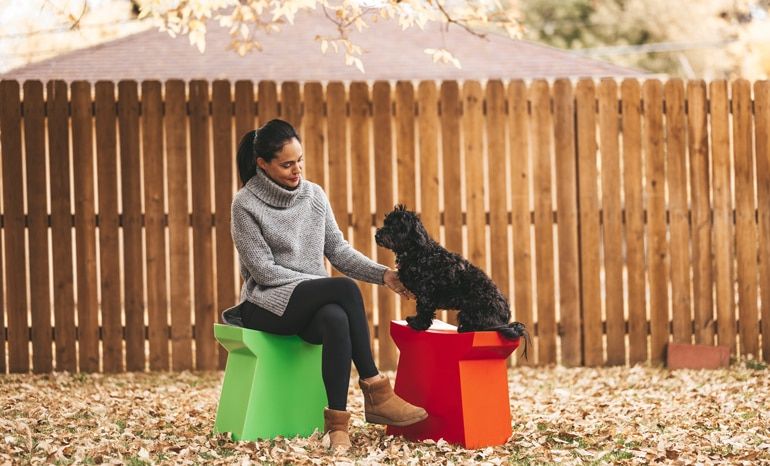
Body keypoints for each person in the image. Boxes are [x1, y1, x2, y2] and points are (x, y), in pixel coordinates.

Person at [229, 118, 428, 452]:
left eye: (300, 160)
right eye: (287, 164)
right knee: (343, 290)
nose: (297, 170)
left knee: (335, 316)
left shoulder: (314, 196)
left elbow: (338, 251)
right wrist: (318, 285)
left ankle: (337, 426)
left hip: (310, 303)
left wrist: (385, 276)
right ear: (262, 164)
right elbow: (262, 272)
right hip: (264, 305)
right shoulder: (245, 204)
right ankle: (377, 390)